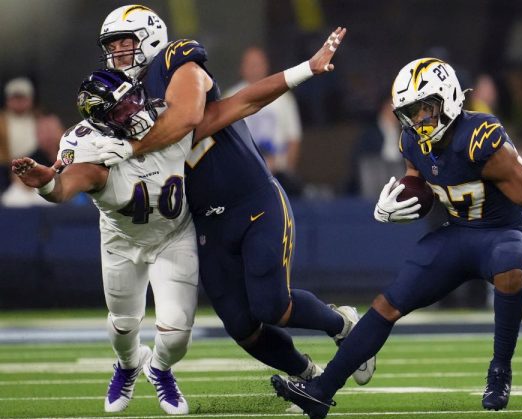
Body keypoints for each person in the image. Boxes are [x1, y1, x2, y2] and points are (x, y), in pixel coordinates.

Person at [90, 4, 373, 393]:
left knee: (271, 306)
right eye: (113, 44)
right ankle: (308, 376)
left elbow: (195, 116)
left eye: (126, 40)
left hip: (251, 200)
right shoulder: (117, 101)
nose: (119, 51)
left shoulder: (176, 62)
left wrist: (132, 147)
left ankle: (343, 324)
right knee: (242, 326)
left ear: (151, 36)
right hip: (204, 220)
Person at [270, 57, 522, 419]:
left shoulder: (481, 138)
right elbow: (420, 179)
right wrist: (398, 202)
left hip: (502, 233)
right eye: (410, 112)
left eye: (425, 109)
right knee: (387, 304)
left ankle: (500, 371)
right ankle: (322, 390)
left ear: (449, 99)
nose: (418, 120)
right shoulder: (412, 140)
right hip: (458, 233)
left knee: (509, 264)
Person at [13, 69, 197, 415]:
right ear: (101, 120)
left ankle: (158, 369)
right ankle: (127, 365)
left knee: (176, 336)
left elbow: (227, 111)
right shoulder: (85, 145)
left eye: (134, 98)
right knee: (123, 323)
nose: (135, 109)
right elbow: (66, 185)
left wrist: (300, 72)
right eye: (122, 107)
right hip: (121, 238)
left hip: (173, 236)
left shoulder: (167, 116)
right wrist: (46, 184)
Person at [225, 46, 303, 195]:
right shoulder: (230, 97)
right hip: (241, 175)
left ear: (266, 66)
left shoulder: (284, 97)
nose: (254, 69)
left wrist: (287, 171)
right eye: (250, 65)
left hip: (278, 175)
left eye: (258, 64)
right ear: (241, 68)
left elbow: (293, 138)